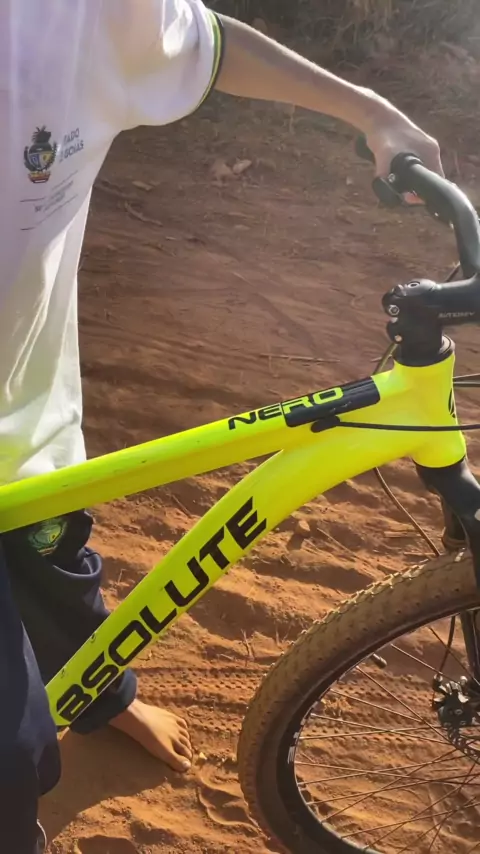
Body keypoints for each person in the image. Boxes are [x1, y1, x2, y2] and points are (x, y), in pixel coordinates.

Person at [1, 2, 444, 852]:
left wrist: (371, 111)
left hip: (30, 421)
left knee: (59, 572)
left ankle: (103, 698)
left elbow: (204, 43)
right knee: (11, 758)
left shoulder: (79, 12)